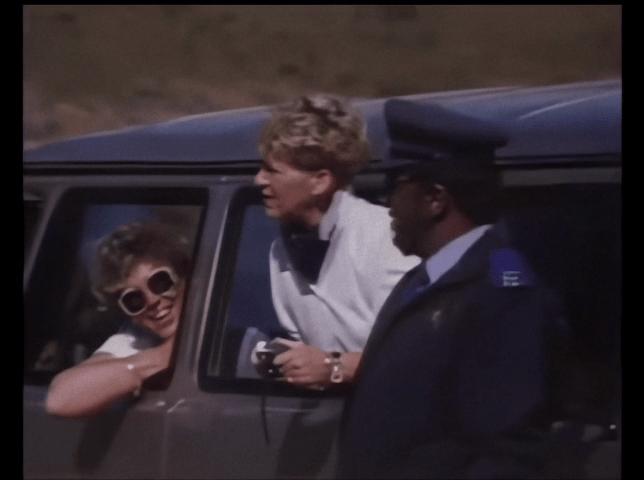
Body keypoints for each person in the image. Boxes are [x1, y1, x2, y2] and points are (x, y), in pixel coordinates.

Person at [338, 100, 573, 479]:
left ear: (434, 199)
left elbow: (506, 452)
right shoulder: (424, 280)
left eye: (394, 185)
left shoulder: (504, 296)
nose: (386, 202)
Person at [253, 94, 419, 390]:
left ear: (320, 181)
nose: (259, 180)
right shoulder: (280, 250)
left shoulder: (384, 236)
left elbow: (417, 351)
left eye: (272, 171)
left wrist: (337, 367)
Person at [46, 220, 191, 418]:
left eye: (160, 282)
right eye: (134, 300)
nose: (152, 301)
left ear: (186, 279)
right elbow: (59, 399)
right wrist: (167, 355)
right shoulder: (134, 343)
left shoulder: (228, 334)